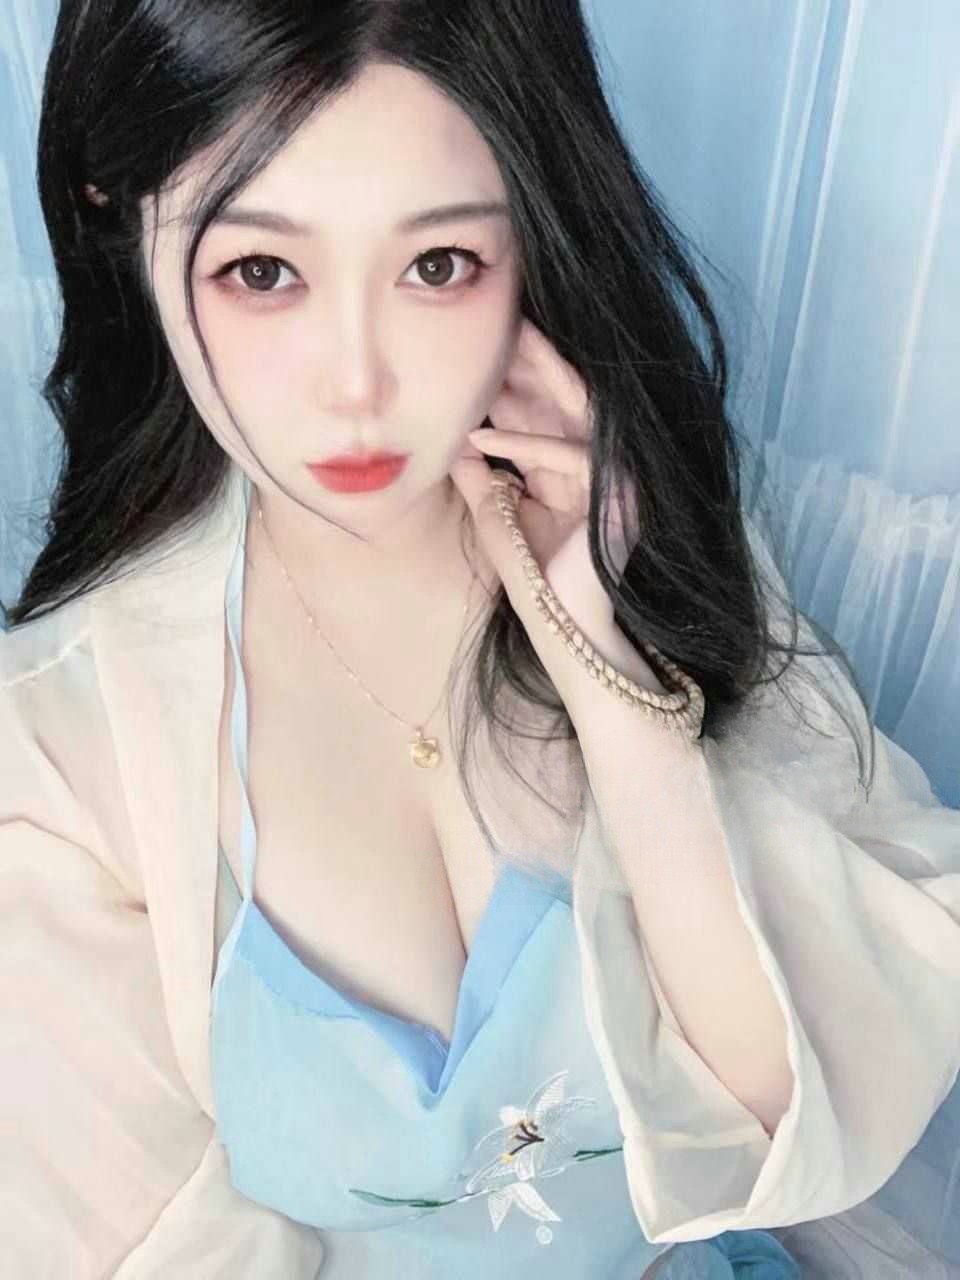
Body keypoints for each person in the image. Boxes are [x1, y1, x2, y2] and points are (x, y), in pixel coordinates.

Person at [2, 1, 958, 1276]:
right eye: (264, 271)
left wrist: (609, 676)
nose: (358, 382)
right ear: (118, 212)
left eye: (439, 264)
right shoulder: (63, 747)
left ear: (532, 229)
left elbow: (800, 1108)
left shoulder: (632, 545)